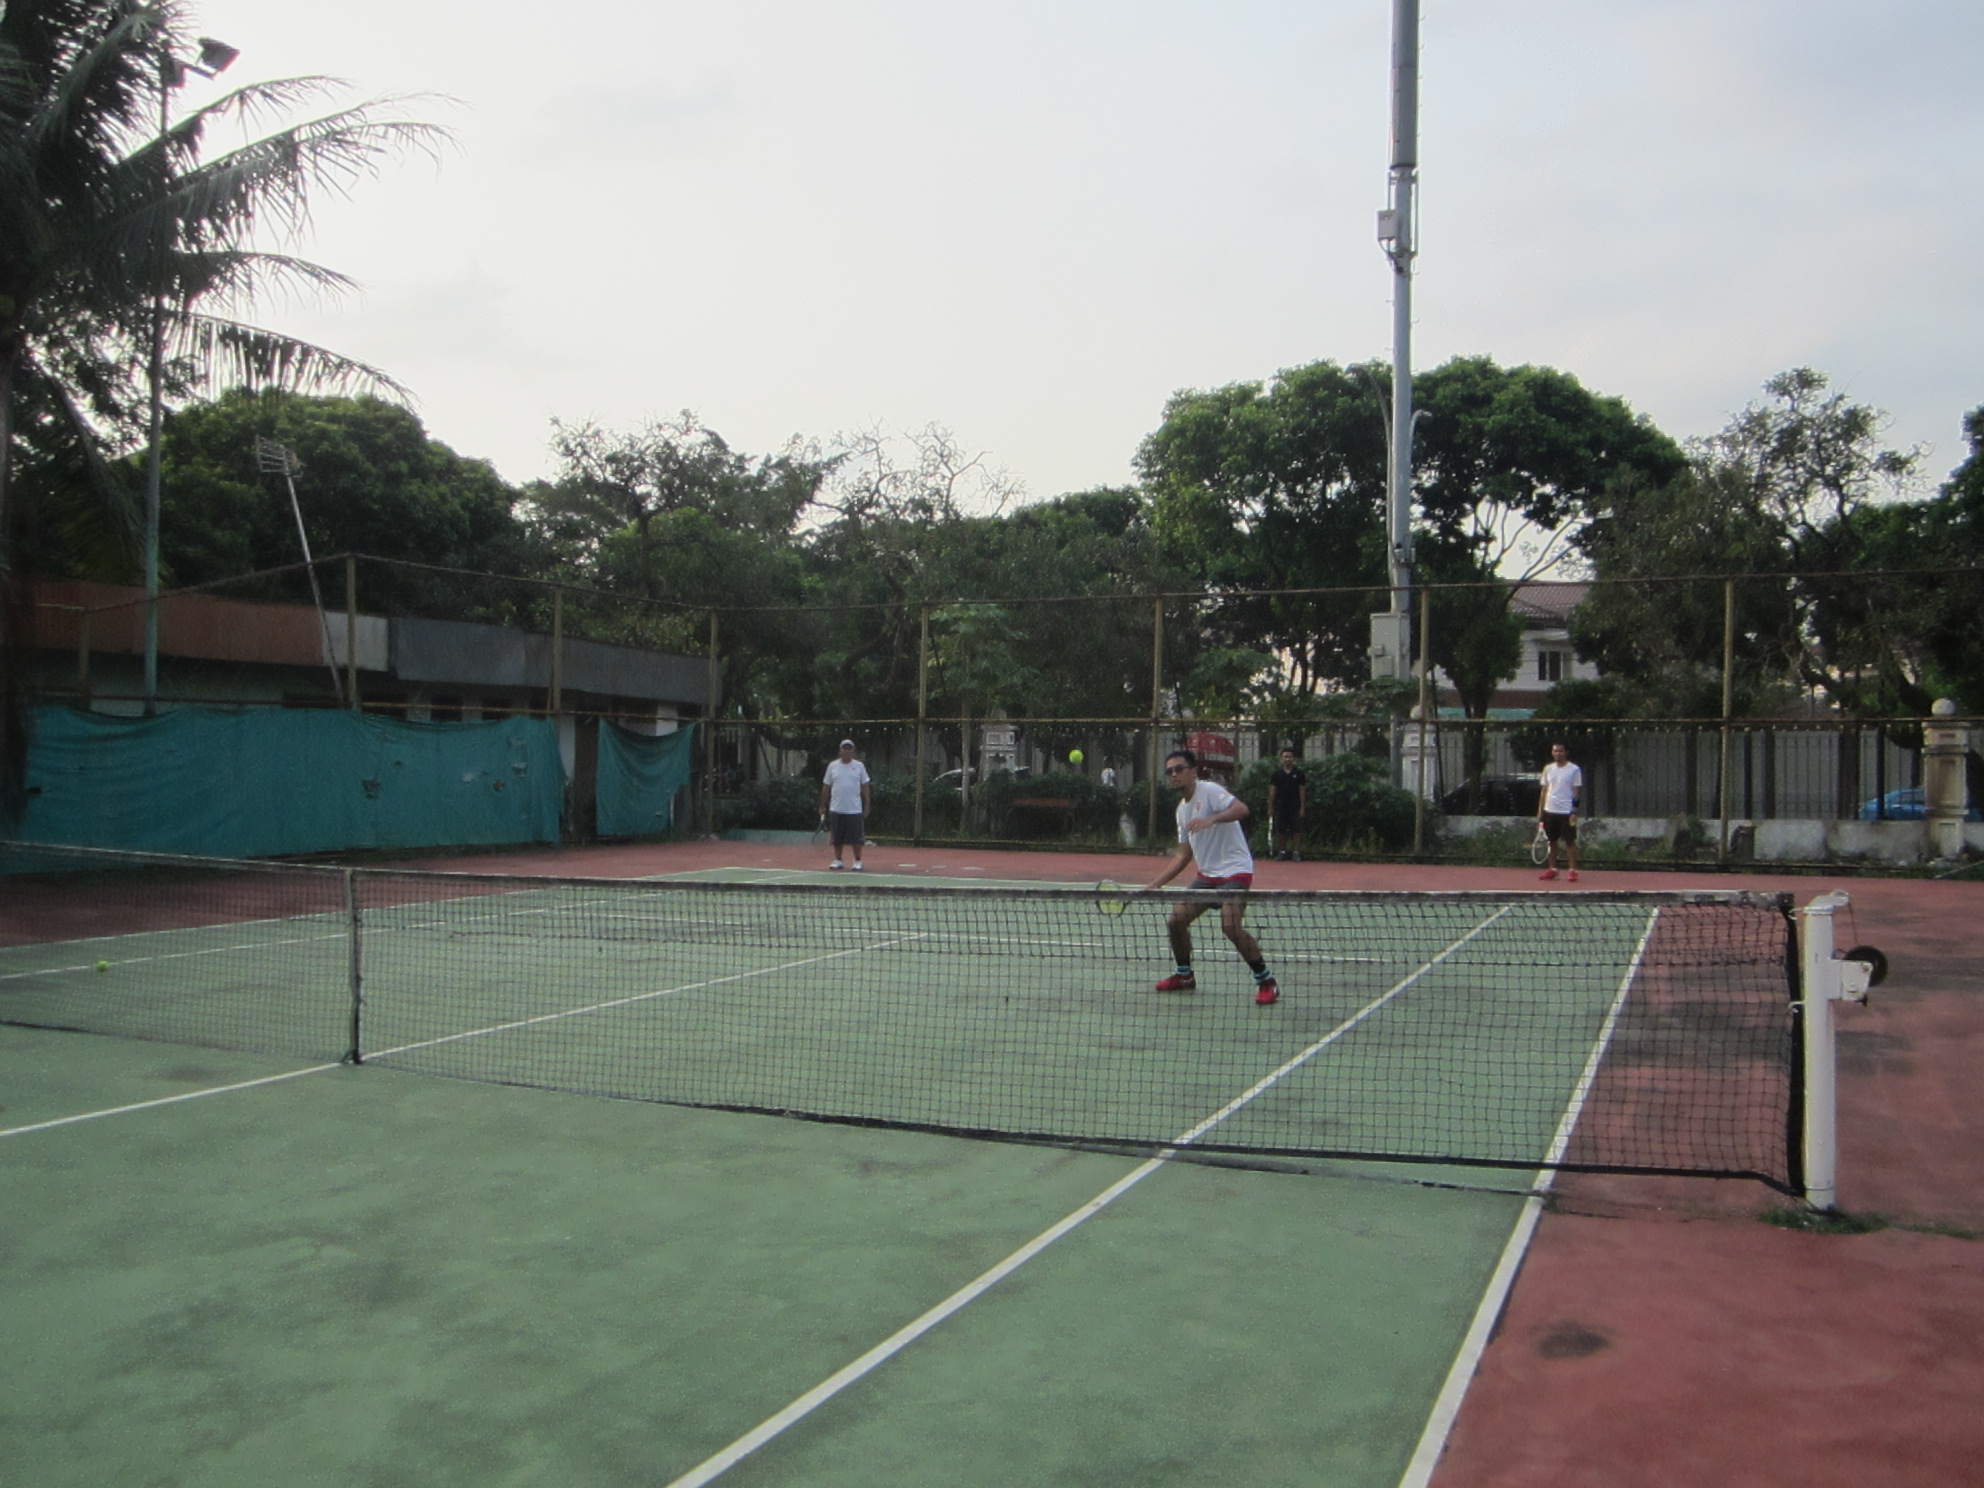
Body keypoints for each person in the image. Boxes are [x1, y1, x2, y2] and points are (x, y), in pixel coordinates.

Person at [1143, 748, 1279, 1005]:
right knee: (1176, 921)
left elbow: (1242, 809)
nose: (1174, 774)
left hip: (1235, 871)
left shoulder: (1210, 791)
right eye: (1169, 771)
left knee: (1230, 927)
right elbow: (1184, 855)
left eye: (1179, 769)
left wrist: (1212, 819)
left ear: (1193, 771)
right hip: (1207, 876)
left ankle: (1266, 981)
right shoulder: (1181, 811)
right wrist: (1155, 884)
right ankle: (1184, 976)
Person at [819, 739, 872, 871]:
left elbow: (865, 786)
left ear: (853, 751)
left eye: (849, 748)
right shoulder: (832, 766)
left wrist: (867, 804)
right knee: (837, 837)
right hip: (836, 808)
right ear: (840, 750)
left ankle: (858, 861)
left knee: (856, 838)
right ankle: (838, 859)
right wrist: (822, 805)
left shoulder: (859, 766)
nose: (847, 751)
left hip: (854, 809)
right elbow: (826, 787)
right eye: (844, 748)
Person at [1535, 740, 1583, 882]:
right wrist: (1540, 810)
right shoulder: (1548, 769)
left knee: (1569, 841)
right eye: (1555, 751)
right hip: (1549, 810)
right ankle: (1553, 869)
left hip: (1567, 811)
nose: (1557, 753)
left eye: (1560, 751)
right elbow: (1544, 790)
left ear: (1566, 752)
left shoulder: (1574, 769)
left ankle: (1572, 870)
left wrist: (1574, 811)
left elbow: (1577, 791)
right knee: (1552, 841)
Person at [1267, 746, 1307, 861]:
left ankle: (1296, 852)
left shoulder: (1299, 773)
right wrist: (1270, 807)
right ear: (1281, 758)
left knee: (1296, 829)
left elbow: (1302, 791)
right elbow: (1272, 791)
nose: (1288, 759)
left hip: (1295, 805)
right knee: (1281, 829)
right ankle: (1282, 852)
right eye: (1285, 757)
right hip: (1280, 805)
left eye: (1290, 757)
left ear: (1294, 758)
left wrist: (1302, 807)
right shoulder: (1276, 774)